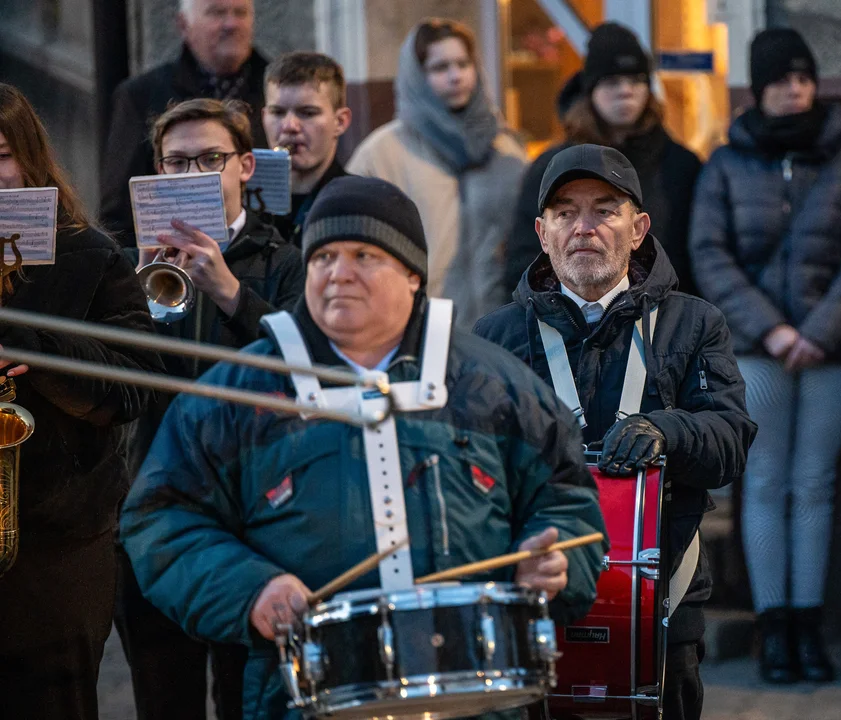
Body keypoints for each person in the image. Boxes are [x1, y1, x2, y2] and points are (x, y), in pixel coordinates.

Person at [119, 175, 607, 720]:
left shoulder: (496, 385)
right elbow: (160, 521)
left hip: (476, 700)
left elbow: (567, 504)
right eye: (323, 256)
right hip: (300, 700)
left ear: (412, 275)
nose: (338, 273)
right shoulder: (241, 394)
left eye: (364, 255)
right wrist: (250, 590)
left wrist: (559, 561)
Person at [475, 144, 757, 720]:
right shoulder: (495, 337)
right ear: (542, 232)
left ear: (638, 228)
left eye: (604, 210)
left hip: (664, 603)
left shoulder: (695, 323)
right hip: (533, 600)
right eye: (564, 212)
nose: (584, 227)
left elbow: (730, 444)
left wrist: (669, 430)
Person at [688, 28, 841, 684]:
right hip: (757, 351)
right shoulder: (726, 163)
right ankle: (775, 630)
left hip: (833, 351)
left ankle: (809, 625)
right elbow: (710, 254)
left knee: (815, 483)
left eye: (803, 77)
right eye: (780, 79)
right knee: (767, 481)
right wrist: (772, 330)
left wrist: (820, 329)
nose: (794, 89)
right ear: (760, 86)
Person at [115, 97, 304, 720]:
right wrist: (131, 303)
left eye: (210, 159)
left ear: (246, 165)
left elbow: (303, 372)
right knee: (162, 697)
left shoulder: (286, 261)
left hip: (252, 513)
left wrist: (228, 290)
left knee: (244, 697)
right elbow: (116, 388)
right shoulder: (132, 269)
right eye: (176, 162)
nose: (193, 175)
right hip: (157, 504)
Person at [0, 82, 162, 720]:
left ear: (31, 161)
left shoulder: (88, 256)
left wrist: (40, 352)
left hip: (56, 550)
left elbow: (135, 383)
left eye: (1, 155)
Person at [347, 18, 526, 329]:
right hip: (417, 330)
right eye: (440, 67)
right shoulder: (381, 154)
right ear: (417, 76)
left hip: (501, 329)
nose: (455, 76)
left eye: (463, 63)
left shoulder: (506, 150)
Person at [504, 22, 703, 298]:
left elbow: (699, 254)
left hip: (663, 319)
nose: (626, 91)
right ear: (591, 91)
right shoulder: (554, 167)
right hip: (570, 322)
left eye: (636, 80)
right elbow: (524, 258)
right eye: (612, 82)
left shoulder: (681, 166)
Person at [100, 0, 268, 246]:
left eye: (240, 13)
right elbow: (118, 211)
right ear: (183, 25)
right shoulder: (140, 95)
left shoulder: (277, 92)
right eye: (217, 13)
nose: (231, 24)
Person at [261, 51, 351, 248]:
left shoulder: (358, 205)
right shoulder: (243, 207)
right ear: (263, 117)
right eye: (277, 112)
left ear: (340, 122)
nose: (290, 125)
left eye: (307, 113)